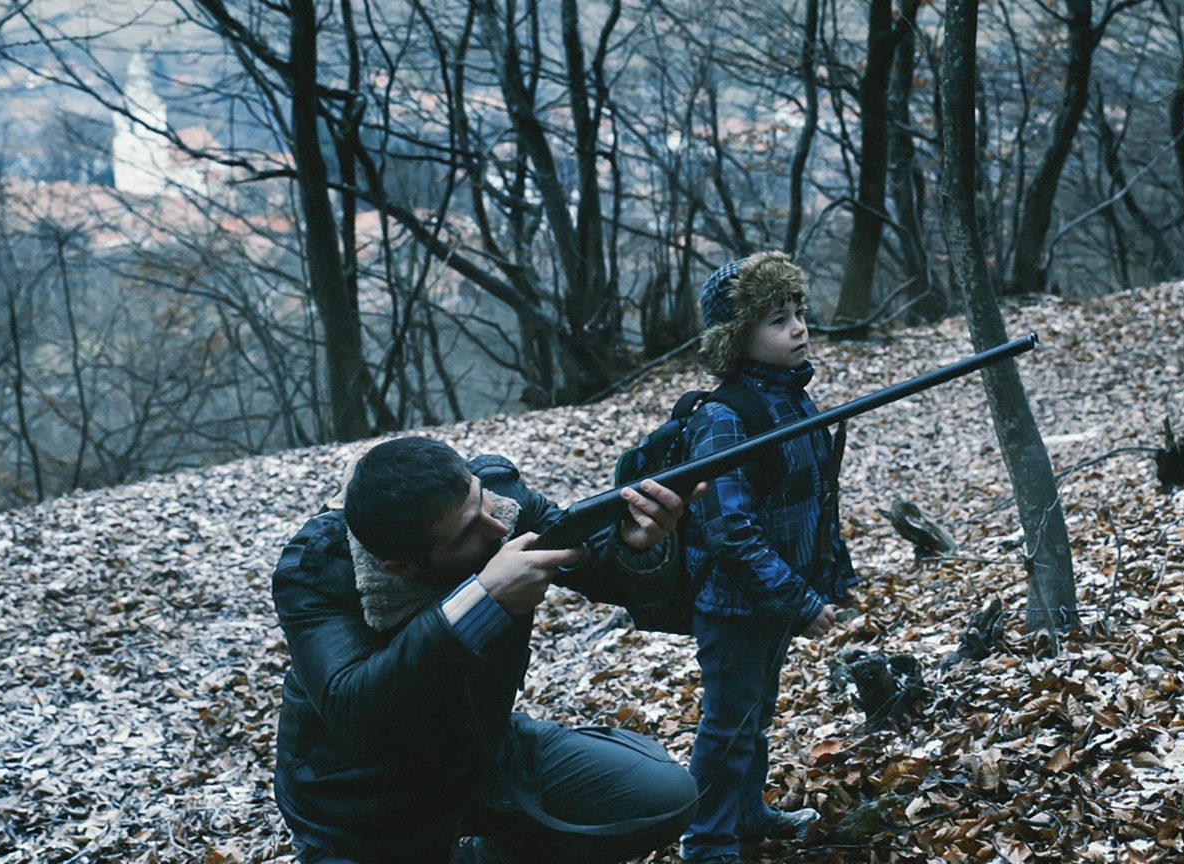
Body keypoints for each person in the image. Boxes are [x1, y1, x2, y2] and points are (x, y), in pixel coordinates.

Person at [271, 435, 704, 864]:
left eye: (481, 500)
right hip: (355, 797)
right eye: (467, 532)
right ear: (400, 567)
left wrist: (633, 542)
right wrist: (481, 601)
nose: (497, 527)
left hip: (478, 746)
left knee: (663, 797)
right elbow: (355, 708)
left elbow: (599, 566)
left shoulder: (498, 501)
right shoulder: (317, 566)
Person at [678, 252, 857, 863]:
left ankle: (747, 814)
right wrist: (799, 602)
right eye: (778, 320)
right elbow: (731, 532)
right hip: (733, 606)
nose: (799, 328)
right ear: (737, 338)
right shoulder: (725, 418)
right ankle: (707, 842)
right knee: (728, 724)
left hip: (774, 598)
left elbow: (815, 500)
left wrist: (832, 575)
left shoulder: (794, 399)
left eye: (798, 312)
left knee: (755, 715)